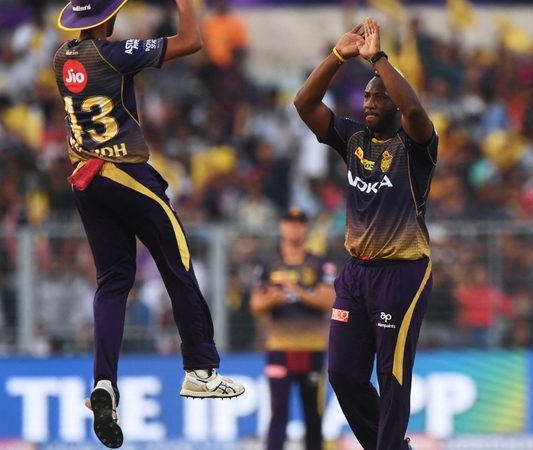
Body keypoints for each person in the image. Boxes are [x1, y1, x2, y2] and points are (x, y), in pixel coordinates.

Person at [53, 1, 244, 448]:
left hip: (85, 180)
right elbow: (191, 42)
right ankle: (201, 369)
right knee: (177, 262)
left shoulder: (61, 57)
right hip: (125, 173)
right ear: (105, 18)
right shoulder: (113, 54)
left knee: (113, 282)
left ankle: (104, 383)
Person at [294, 17, 437, 450]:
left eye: (379, 97)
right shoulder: (353, 138)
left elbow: (415, 112)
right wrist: (338, 56)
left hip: (403, 272)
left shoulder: (416, 146)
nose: (370, 103)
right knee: (341, 373)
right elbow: (304, 103)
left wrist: (378, 58)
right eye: (367, 96)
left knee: (391, 375)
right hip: (356, 273)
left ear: (394, 103)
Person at [250, 207, 337, 450]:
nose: (295, 228)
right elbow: (256, 304)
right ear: (282, 227)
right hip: (279, 348)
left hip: (312, 348)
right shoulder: (269, 265)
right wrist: (279, 295)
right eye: (290, 222)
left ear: (306, 228)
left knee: (313, 413)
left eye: (300, 223)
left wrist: (295, 291)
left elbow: (329, 300)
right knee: (278, 411)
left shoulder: (321, 264)